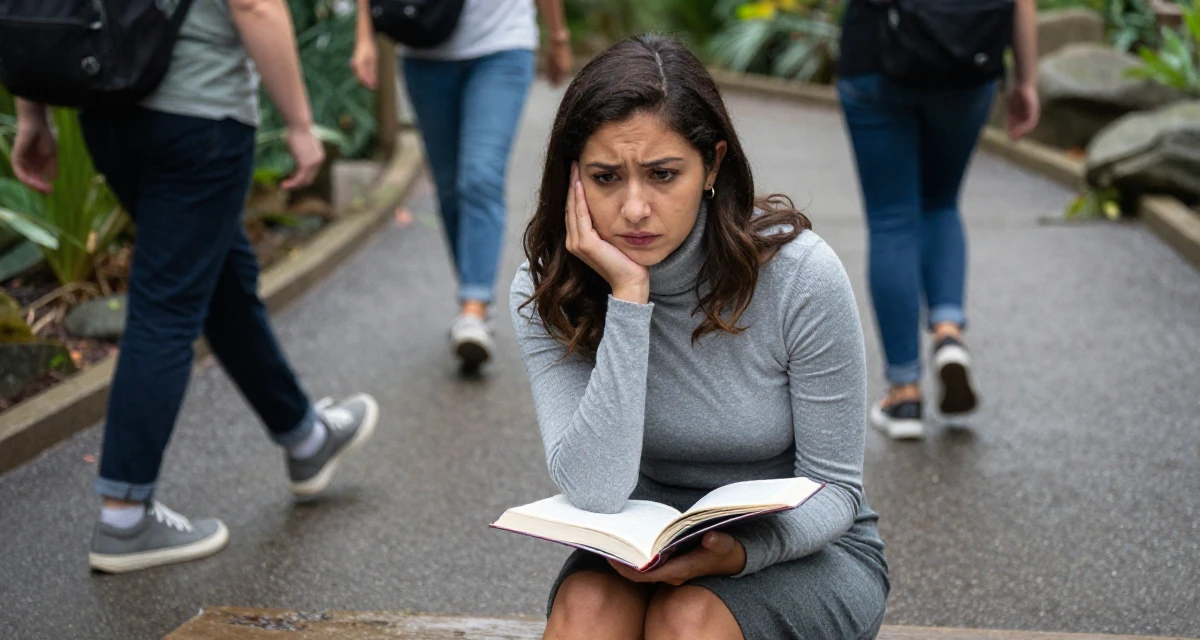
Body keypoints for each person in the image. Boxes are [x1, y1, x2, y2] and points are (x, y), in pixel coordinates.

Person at [511, 35, 888, 640]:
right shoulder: (550, 291)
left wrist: (736, 554)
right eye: (606, 178)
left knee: (687, 619)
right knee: (586, 615)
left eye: (663, 175)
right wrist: (629, 301)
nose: (635, 208)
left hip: (805, 549)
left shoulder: (800, 278)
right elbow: (595, 489)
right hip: (637, 543)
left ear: (712, 166)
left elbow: (836, 490)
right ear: (572, 177)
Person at [12, 0, 379, 574]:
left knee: (221, 278)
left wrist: (33, 114)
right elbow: (254, 5)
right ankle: (125, 518)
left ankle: (304, 438)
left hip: (105, 109)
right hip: (197, 116)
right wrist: (302, 126)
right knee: (168, 306)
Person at [837, 0, 1041, 439]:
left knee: (892, 218)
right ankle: (948, 332)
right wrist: (1026, 80)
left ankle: (904, 392)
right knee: (942, 201)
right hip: (968, 58)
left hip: (875, 54)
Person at [352, 0, 571, 371]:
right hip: (424, 48)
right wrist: (364, 37)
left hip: (502, 46)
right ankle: (475, 301)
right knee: (450, 188)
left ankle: (474, 305)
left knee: (480, 177)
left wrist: (558, 35)